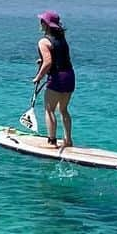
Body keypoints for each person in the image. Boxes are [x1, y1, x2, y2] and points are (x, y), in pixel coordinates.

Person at [33, 11, 75, 147]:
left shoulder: (44, 41)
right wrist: (42, 59)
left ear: (45, 24)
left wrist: (38, 77)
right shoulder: (62, 38)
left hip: (57, 77)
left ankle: (52, 141)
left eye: (42, 21)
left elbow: (48, 62)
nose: (40, 23)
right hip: (69, 76)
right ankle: (68, 141)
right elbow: (59, 56)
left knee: (49, 109)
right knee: (63, 110)